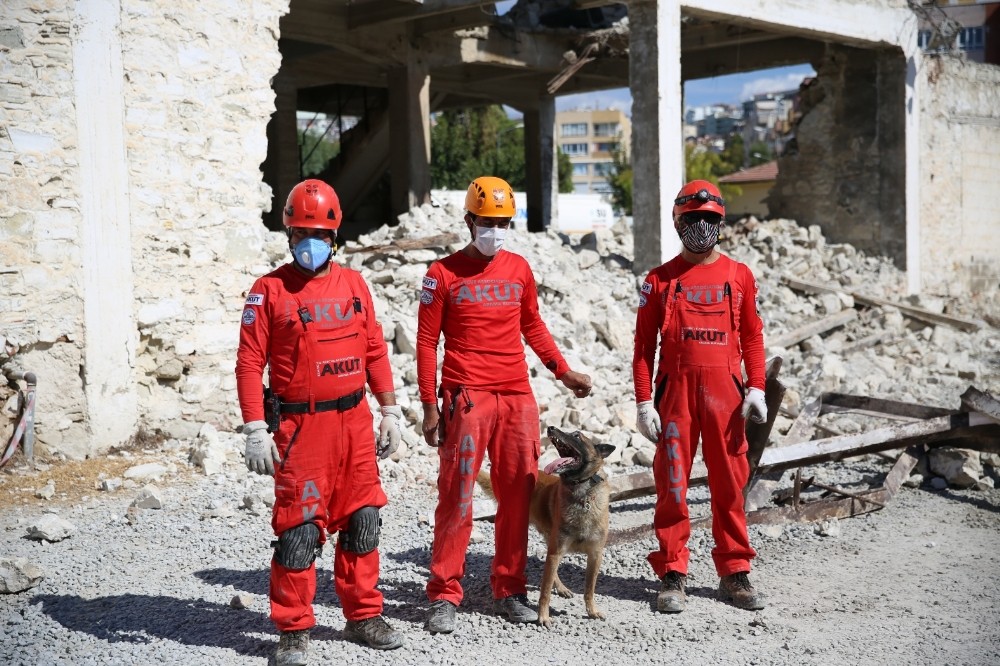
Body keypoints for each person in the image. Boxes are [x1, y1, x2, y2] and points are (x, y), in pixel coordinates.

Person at [235, 179, 405, 665]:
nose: (311, 242)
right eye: (301, 232)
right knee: (300, 531)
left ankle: (363, 616)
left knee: (363, 521)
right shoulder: (268, 291)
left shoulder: (354, 284)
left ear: (336, 237)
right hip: (301, 432)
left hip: (354, 422)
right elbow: (249, 364)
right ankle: (293, 629)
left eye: (321, 233)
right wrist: (254, 429)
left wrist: (390, 410)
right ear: (288, 234)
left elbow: (374, 348)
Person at [416, 176, 594, 634]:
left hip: (517, 397)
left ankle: (510, 587)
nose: (496, 229)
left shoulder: (518, 269)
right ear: (469, 220)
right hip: (467, 397)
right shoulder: (442, 275)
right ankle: (444, 592)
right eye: (488, 221)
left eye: (504, 222)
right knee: (457, 495)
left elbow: (532, 325)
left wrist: (562, 370)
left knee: (518, 495)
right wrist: (429, 407)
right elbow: (425, 342)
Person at [632, 179, 768, 614]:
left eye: (709, 219)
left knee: (729, 486)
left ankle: (735, 574)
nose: (701, 226)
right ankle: (673, 574)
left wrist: (757, 387)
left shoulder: (740, 275)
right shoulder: (658, 280)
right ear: (678, 222)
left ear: (721, 222)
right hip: (675, 397)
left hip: (725, 399)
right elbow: (642, 348)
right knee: (672, 484)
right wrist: (642, 402)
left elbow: (752, 335)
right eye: (692, 219)